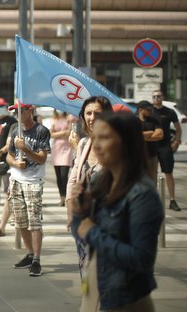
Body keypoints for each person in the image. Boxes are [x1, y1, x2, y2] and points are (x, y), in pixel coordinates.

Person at [72, 111, 164, 311]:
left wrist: (93, 232)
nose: (95, 145)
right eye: (94, 137)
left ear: (127, 143)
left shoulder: (142, 194)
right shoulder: (99, 181)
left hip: (125, 298)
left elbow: (142, 259)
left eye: (104, 138)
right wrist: (80, 209)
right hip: (94, 288)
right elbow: (80, 230)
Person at [65, 96, 113, 276]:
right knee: (86, 272)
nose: (92, 117)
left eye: (97, 113)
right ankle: (89, 302)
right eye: (88, 113)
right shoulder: (84, 144)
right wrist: (71, 213)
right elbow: (73, 180)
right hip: (84, 221)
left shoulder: (116, 144)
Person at [6, 102, 51, 277]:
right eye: (14, 112)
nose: (16, 115)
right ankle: (30, 253)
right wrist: (16, 163)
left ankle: (37, 260)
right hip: (16, 179)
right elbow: (9, 156)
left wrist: (25, 149)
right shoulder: (15, 130)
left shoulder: (41, 131)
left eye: (20, 111)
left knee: (34, 222)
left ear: (30, 111)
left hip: (33, 181)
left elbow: (41, 159)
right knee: (20, 221)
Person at [151, 90, 183, 211]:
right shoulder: (149, 111)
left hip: (165, 146)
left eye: (158, 96)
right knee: (152, 173)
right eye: (154, 96)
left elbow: (178, 129)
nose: (156, 98)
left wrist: (176, 142)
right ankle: (152, 201)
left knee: (168, 173)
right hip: (152, 146)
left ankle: (172, 200)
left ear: (162, 97)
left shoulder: (169, 112)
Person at [50, 110, 75, 207]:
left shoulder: (69, 118)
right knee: (58, 177)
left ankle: (67, 196)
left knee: (64, 175)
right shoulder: (54, 119)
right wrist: (63, 133)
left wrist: (59, 133)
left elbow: (69, 132)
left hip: (67, 149)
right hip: (56, 149)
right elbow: (51, 134)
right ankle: (62, 197)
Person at [136, 100, 164, 181]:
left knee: (152, 181)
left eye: (150, 109)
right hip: (138, 157)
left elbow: (160, 135)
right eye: (148, 109)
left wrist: (142, 136)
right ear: (140, 110)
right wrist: (151, 133)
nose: (150, 111)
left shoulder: (154, 120)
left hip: (152, 156)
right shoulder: (133, 121)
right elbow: (133, 136)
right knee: (138, 182)